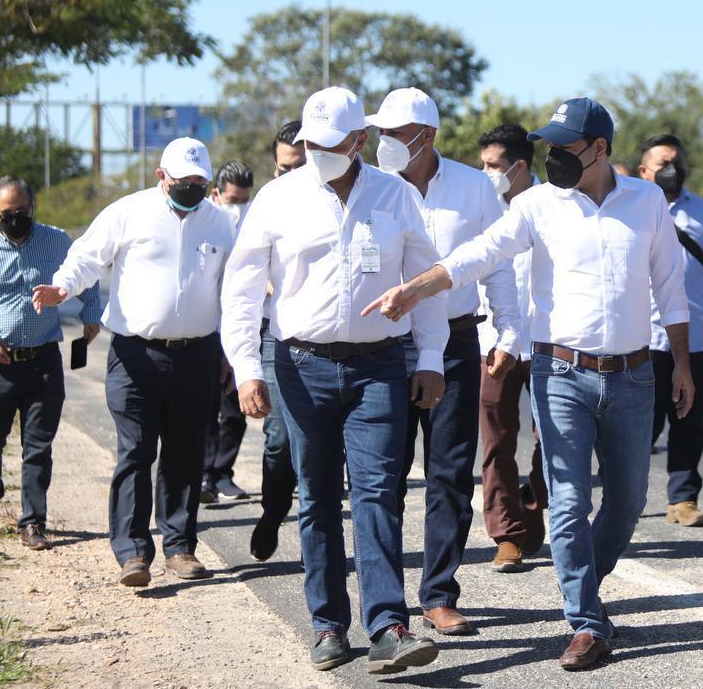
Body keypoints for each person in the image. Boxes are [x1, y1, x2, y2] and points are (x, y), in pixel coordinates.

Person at [363, 97, 694, 672]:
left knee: (630, 502)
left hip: (635, 375)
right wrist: (416, 288)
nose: (553, 157)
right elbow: (479, 254)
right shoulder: (539, 204)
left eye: (564, 148)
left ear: (599, 149)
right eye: (550, 147)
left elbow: (670, 286)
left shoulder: (646, 202)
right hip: (560, 372)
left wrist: (683, 366)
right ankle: (586, 622)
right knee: (567, 501)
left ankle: (583, 572)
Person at [221, 87, 449, 675]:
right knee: (318, 497)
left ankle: (388, 625)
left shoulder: (394, 195)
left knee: (378, 492)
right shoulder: (277, 199)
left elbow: (425, 281)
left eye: (329, 144)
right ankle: (327, 625)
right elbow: (242, 291)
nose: (316, 152)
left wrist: (429, 359)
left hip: (379, 366)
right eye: (309, 144)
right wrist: (248, 368)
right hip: (300, 366)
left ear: (359, 142)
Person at [33, 138, 235, 587]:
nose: (192, 190)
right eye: (183, 183)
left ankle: (179, 547)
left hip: (198, 354)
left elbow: (234, 290)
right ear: (162, 177)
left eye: (200, 183)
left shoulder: (221, 224)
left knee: (185, 454)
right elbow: (86, 257)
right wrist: (62, 288)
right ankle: (132, 551)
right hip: (135, 354)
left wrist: (232, 352)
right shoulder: (129, 212)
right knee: (137, 450)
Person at [368, 87, 522, 635]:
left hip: (456, 343)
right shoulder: (369, 187)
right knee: (380, 476)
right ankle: (386, 606)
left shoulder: (474, 186)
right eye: (379, 133)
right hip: (382, 347)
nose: (382, 142)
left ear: (425, 136)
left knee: (450, 474)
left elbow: (497, 263)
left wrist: (509, 328)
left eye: (392, 134)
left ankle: (438, 594)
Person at [0, 177, 102, 549]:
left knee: (38, 446)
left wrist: (90, 313)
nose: (15, 219)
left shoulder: (58, 241)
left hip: (43, 360)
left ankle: (33, 522)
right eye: (7, 214)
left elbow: (87, 274)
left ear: (33, 207)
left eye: (22, 212)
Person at [636, 134, 703, 526]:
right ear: (643, 172)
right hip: (641, 339)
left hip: (695, 339)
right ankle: (629, 493)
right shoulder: (630, 211)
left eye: (676, 161)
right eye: (662, 163)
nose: (671, 170)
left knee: (689, 422)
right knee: (640, 423)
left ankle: (684, 498)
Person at [475, 123, 547, 571]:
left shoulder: (554, 202)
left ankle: (534, 508)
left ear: (519, 166)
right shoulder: (479, 205)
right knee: (497, 443)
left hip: (546, 343)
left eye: (492, 165)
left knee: (553, 441)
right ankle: (507, 535)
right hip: (493, 343)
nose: (485, 173)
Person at [249, 122, 304, 562]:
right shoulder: (265, 206)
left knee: (324, 444)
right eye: (285, 168)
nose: (293, 175)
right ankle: (273, 511)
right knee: (280, 437)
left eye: (301, 165)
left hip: (336, 343)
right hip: (277, 335)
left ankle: (317, 536)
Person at [202, 159, 255, 503]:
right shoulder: (202, 224)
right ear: (216, 194)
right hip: (205, 331)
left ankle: (223, 473)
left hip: (239, 329)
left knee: (235, 410)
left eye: (244, 201)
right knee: (206, 410)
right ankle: (203, 475)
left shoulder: (254, 222)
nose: (238, 208)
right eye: (232, 200)